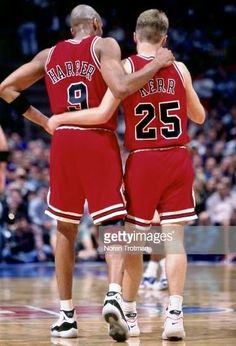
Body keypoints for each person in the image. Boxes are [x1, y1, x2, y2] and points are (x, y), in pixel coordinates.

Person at [0, 4, 174, 341]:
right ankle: (113, 294)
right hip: (97, 138)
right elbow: (122, 87)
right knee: (112, 224)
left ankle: (66, 315)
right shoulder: (103, 44)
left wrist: (47, 122)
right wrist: (156, 63)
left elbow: (6, 87)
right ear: (95, 24)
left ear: (71, 29)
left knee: (65, 229)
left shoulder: (49, 55)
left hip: (63, 143)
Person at [47, 8, 205, 341]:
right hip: (177, 157)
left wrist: (61, 120)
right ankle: (174, 315)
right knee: (173, 240)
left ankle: (130, 313)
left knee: (133, 240)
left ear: (134, 37)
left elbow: (104, 112)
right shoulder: (179, 68)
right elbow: (199, 116)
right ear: (165, 38)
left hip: (142, 161)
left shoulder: (128, 68)